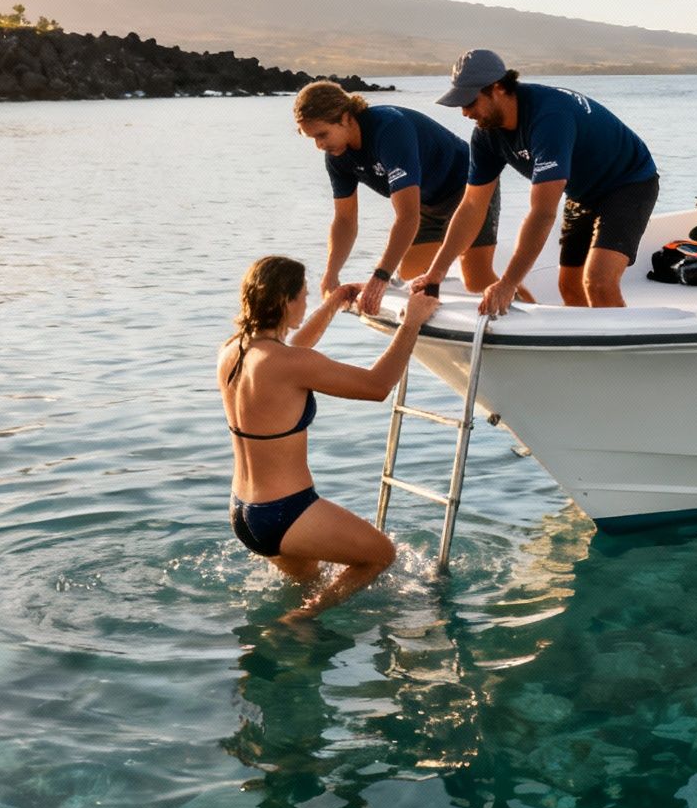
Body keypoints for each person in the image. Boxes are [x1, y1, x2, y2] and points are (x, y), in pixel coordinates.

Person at [218, 255, 439, 619]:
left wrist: (334, 302)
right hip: (284, 512)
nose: (306, 302)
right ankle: (301, 620)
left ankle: (299, 639)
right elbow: (377, 386)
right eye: (303, 295)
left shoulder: (233, 351)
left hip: (244, 514)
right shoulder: (289, 364)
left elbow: (294, 352)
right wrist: (412, 321)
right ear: (285, 301)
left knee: (312, 579)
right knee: (381, 555)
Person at [413, 49, 659, 317]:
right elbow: (472, 206)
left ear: (497, 89)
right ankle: (583, 354)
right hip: (582, 192)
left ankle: (620, 354)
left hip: (629, 182)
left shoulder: (549, 118)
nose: (464, 112)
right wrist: (434, 274)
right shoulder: (486, 136)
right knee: (570, 287)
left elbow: (542, 213)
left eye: (470, 102)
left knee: (598, 282)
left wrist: (508, 284)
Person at [293, 81, 529, 317]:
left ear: (345, 118)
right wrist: (331, 274)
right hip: (427, 203)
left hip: (468, 189)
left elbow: (407, 216)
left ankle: (538, 314)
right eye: (312, 138)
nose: (319, 145)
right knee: (409, 276)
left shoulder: (389, 130)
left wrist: (380, 276)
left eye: (322, 135)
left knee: (476, 278)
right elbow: (344, 220)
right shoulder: (336, 157)